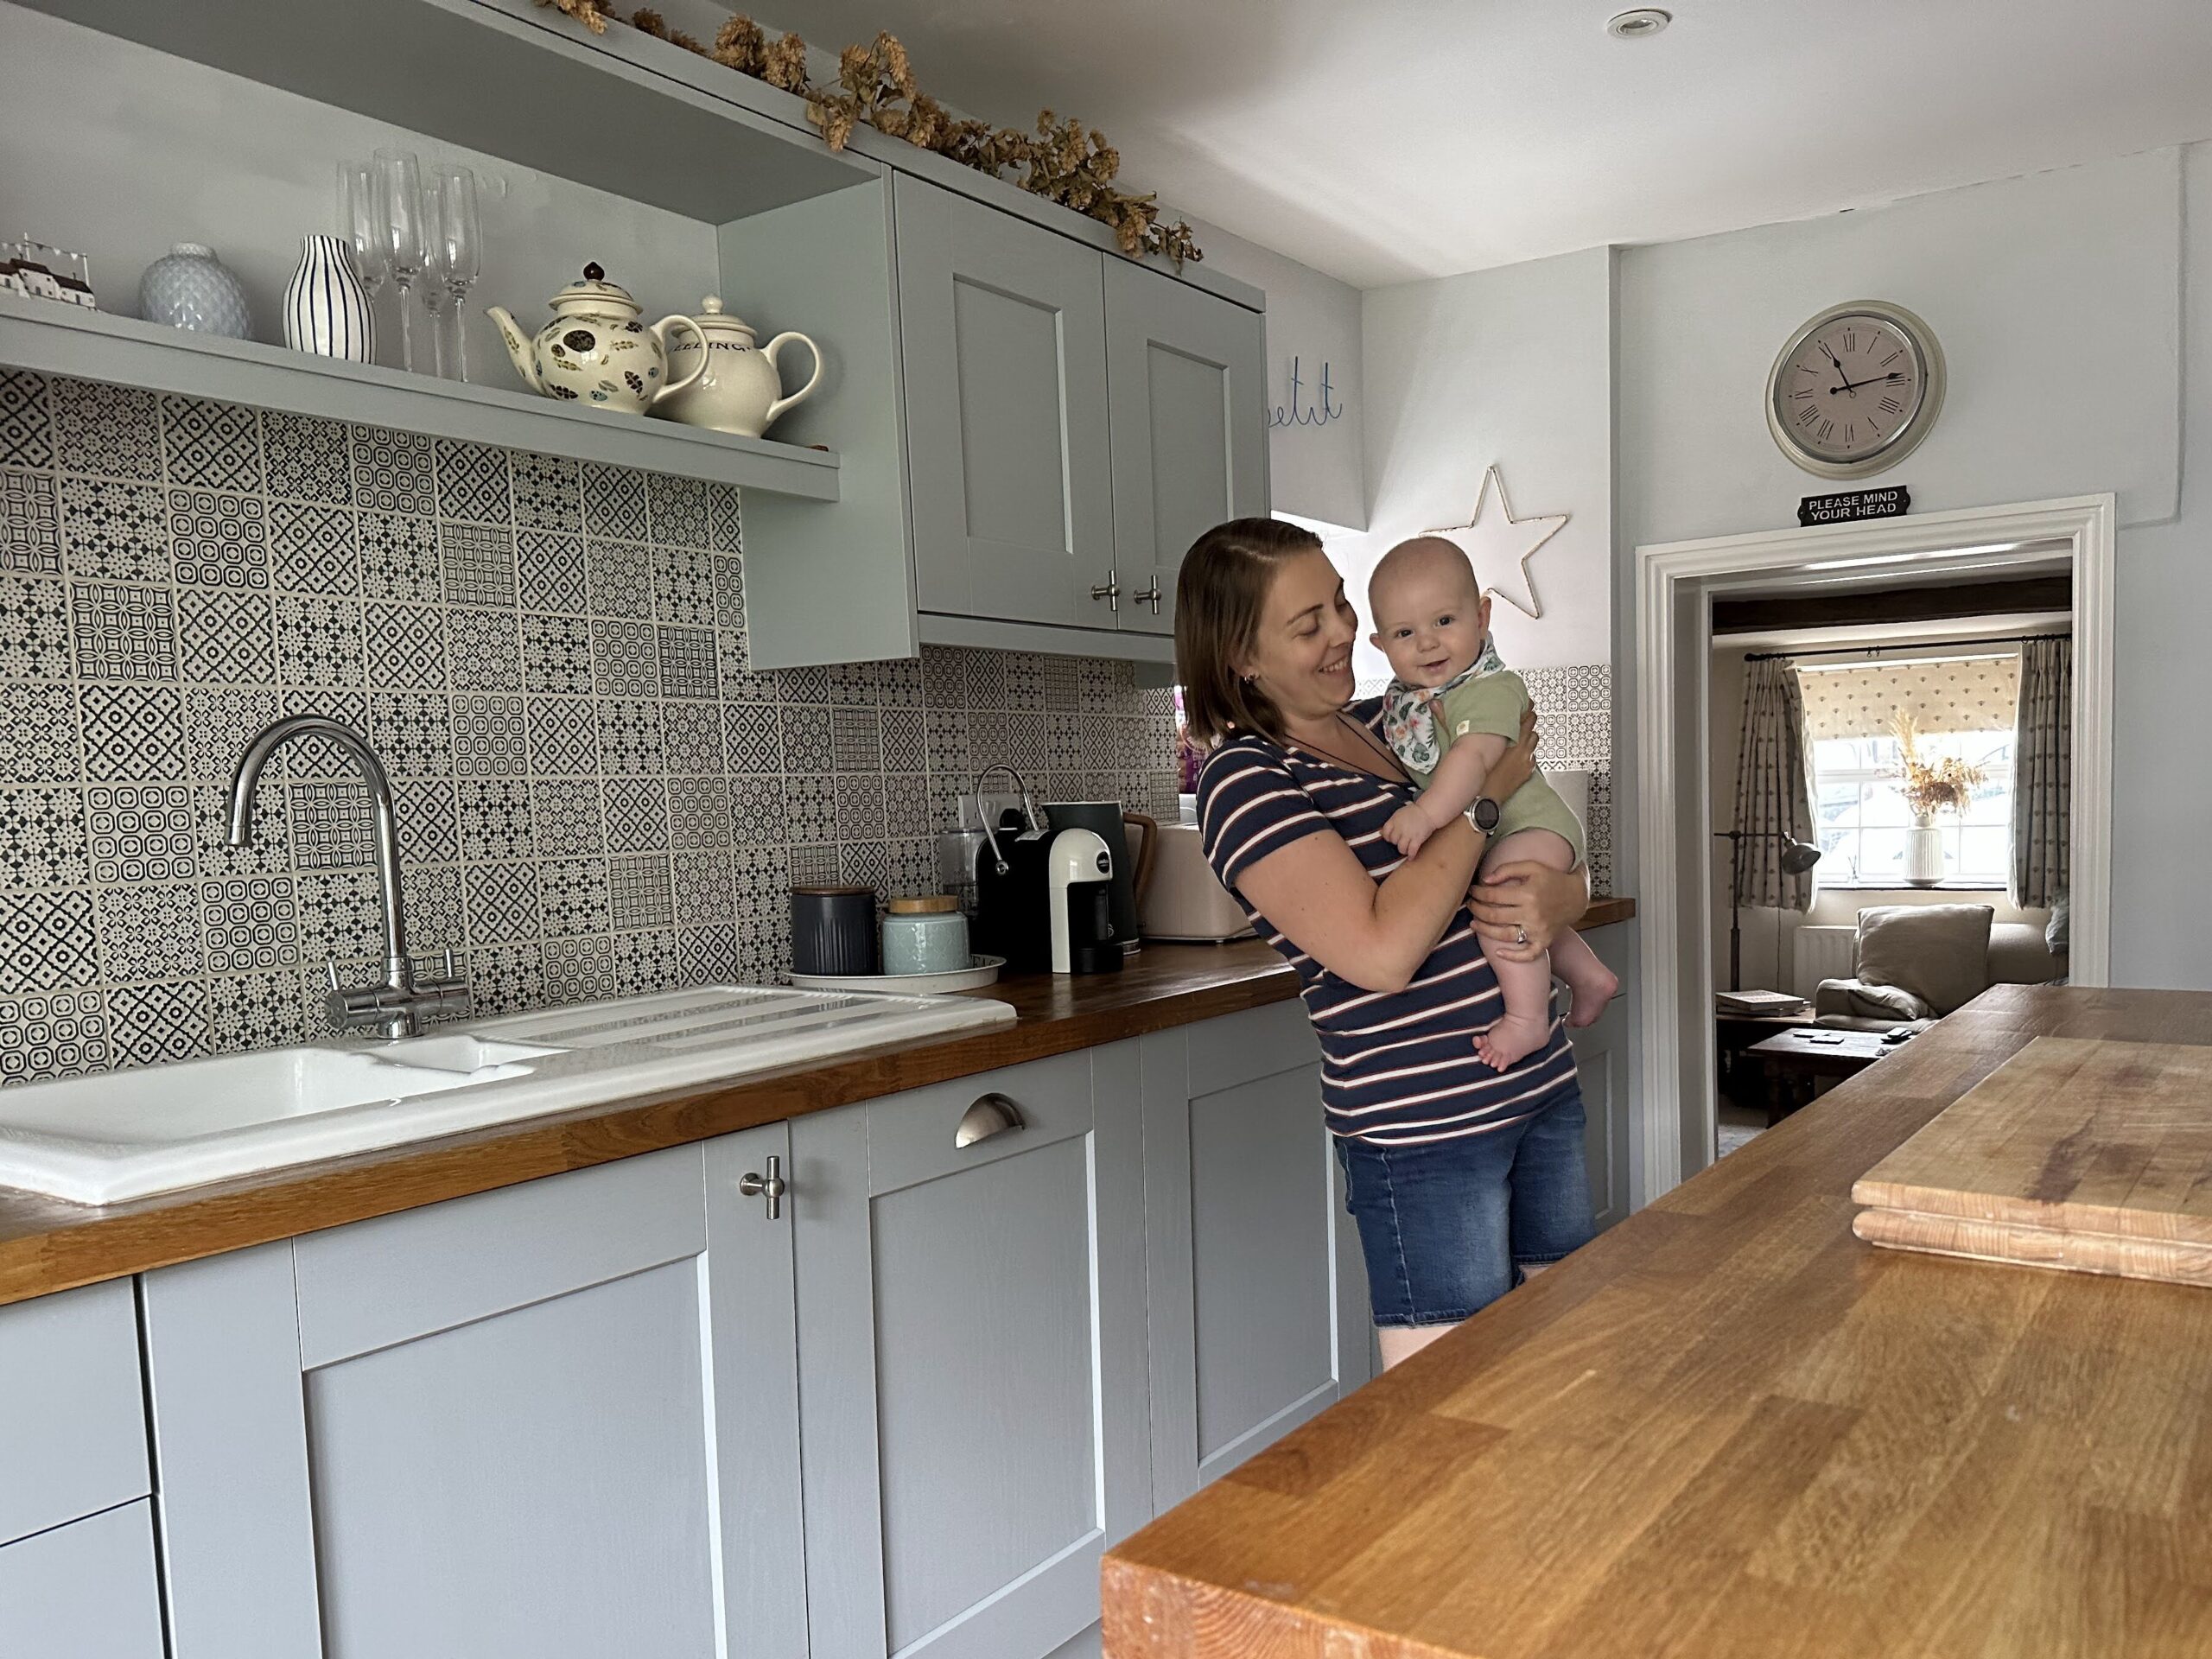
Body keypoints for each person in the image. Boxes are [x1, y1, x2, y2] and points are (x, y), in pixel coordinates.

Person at [1178, 518, 1596, 1369]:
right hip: (1425, 1130)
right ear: (1241, 658)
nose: (1343, 634)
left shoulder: (1396, 721)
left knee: (1563, 1360)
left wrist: (1565, 894)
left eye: (1337, 604)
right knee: (1453, 1400)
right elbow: (1380, 954)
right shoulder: (1247, 777)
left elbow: (1542, 866)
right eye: (1309, 625)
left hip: (1539, 1087)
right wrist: (1481, 799)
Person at [1367, 536, 1619, 1070]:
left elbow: (1474, 762)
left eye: (1444, 622)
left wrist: (1426, 814)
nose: (1429, 644)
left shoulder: (1491, 687)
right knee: (1522, 908)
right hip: (1513, 831)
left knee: (1501, 903)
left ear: (1482, 616)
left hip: (1532, 826)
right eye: (1405, 633)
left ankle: (1527, 1019)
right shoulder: (1401, 709)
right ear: (1380, 645)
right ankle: (1589, 974)